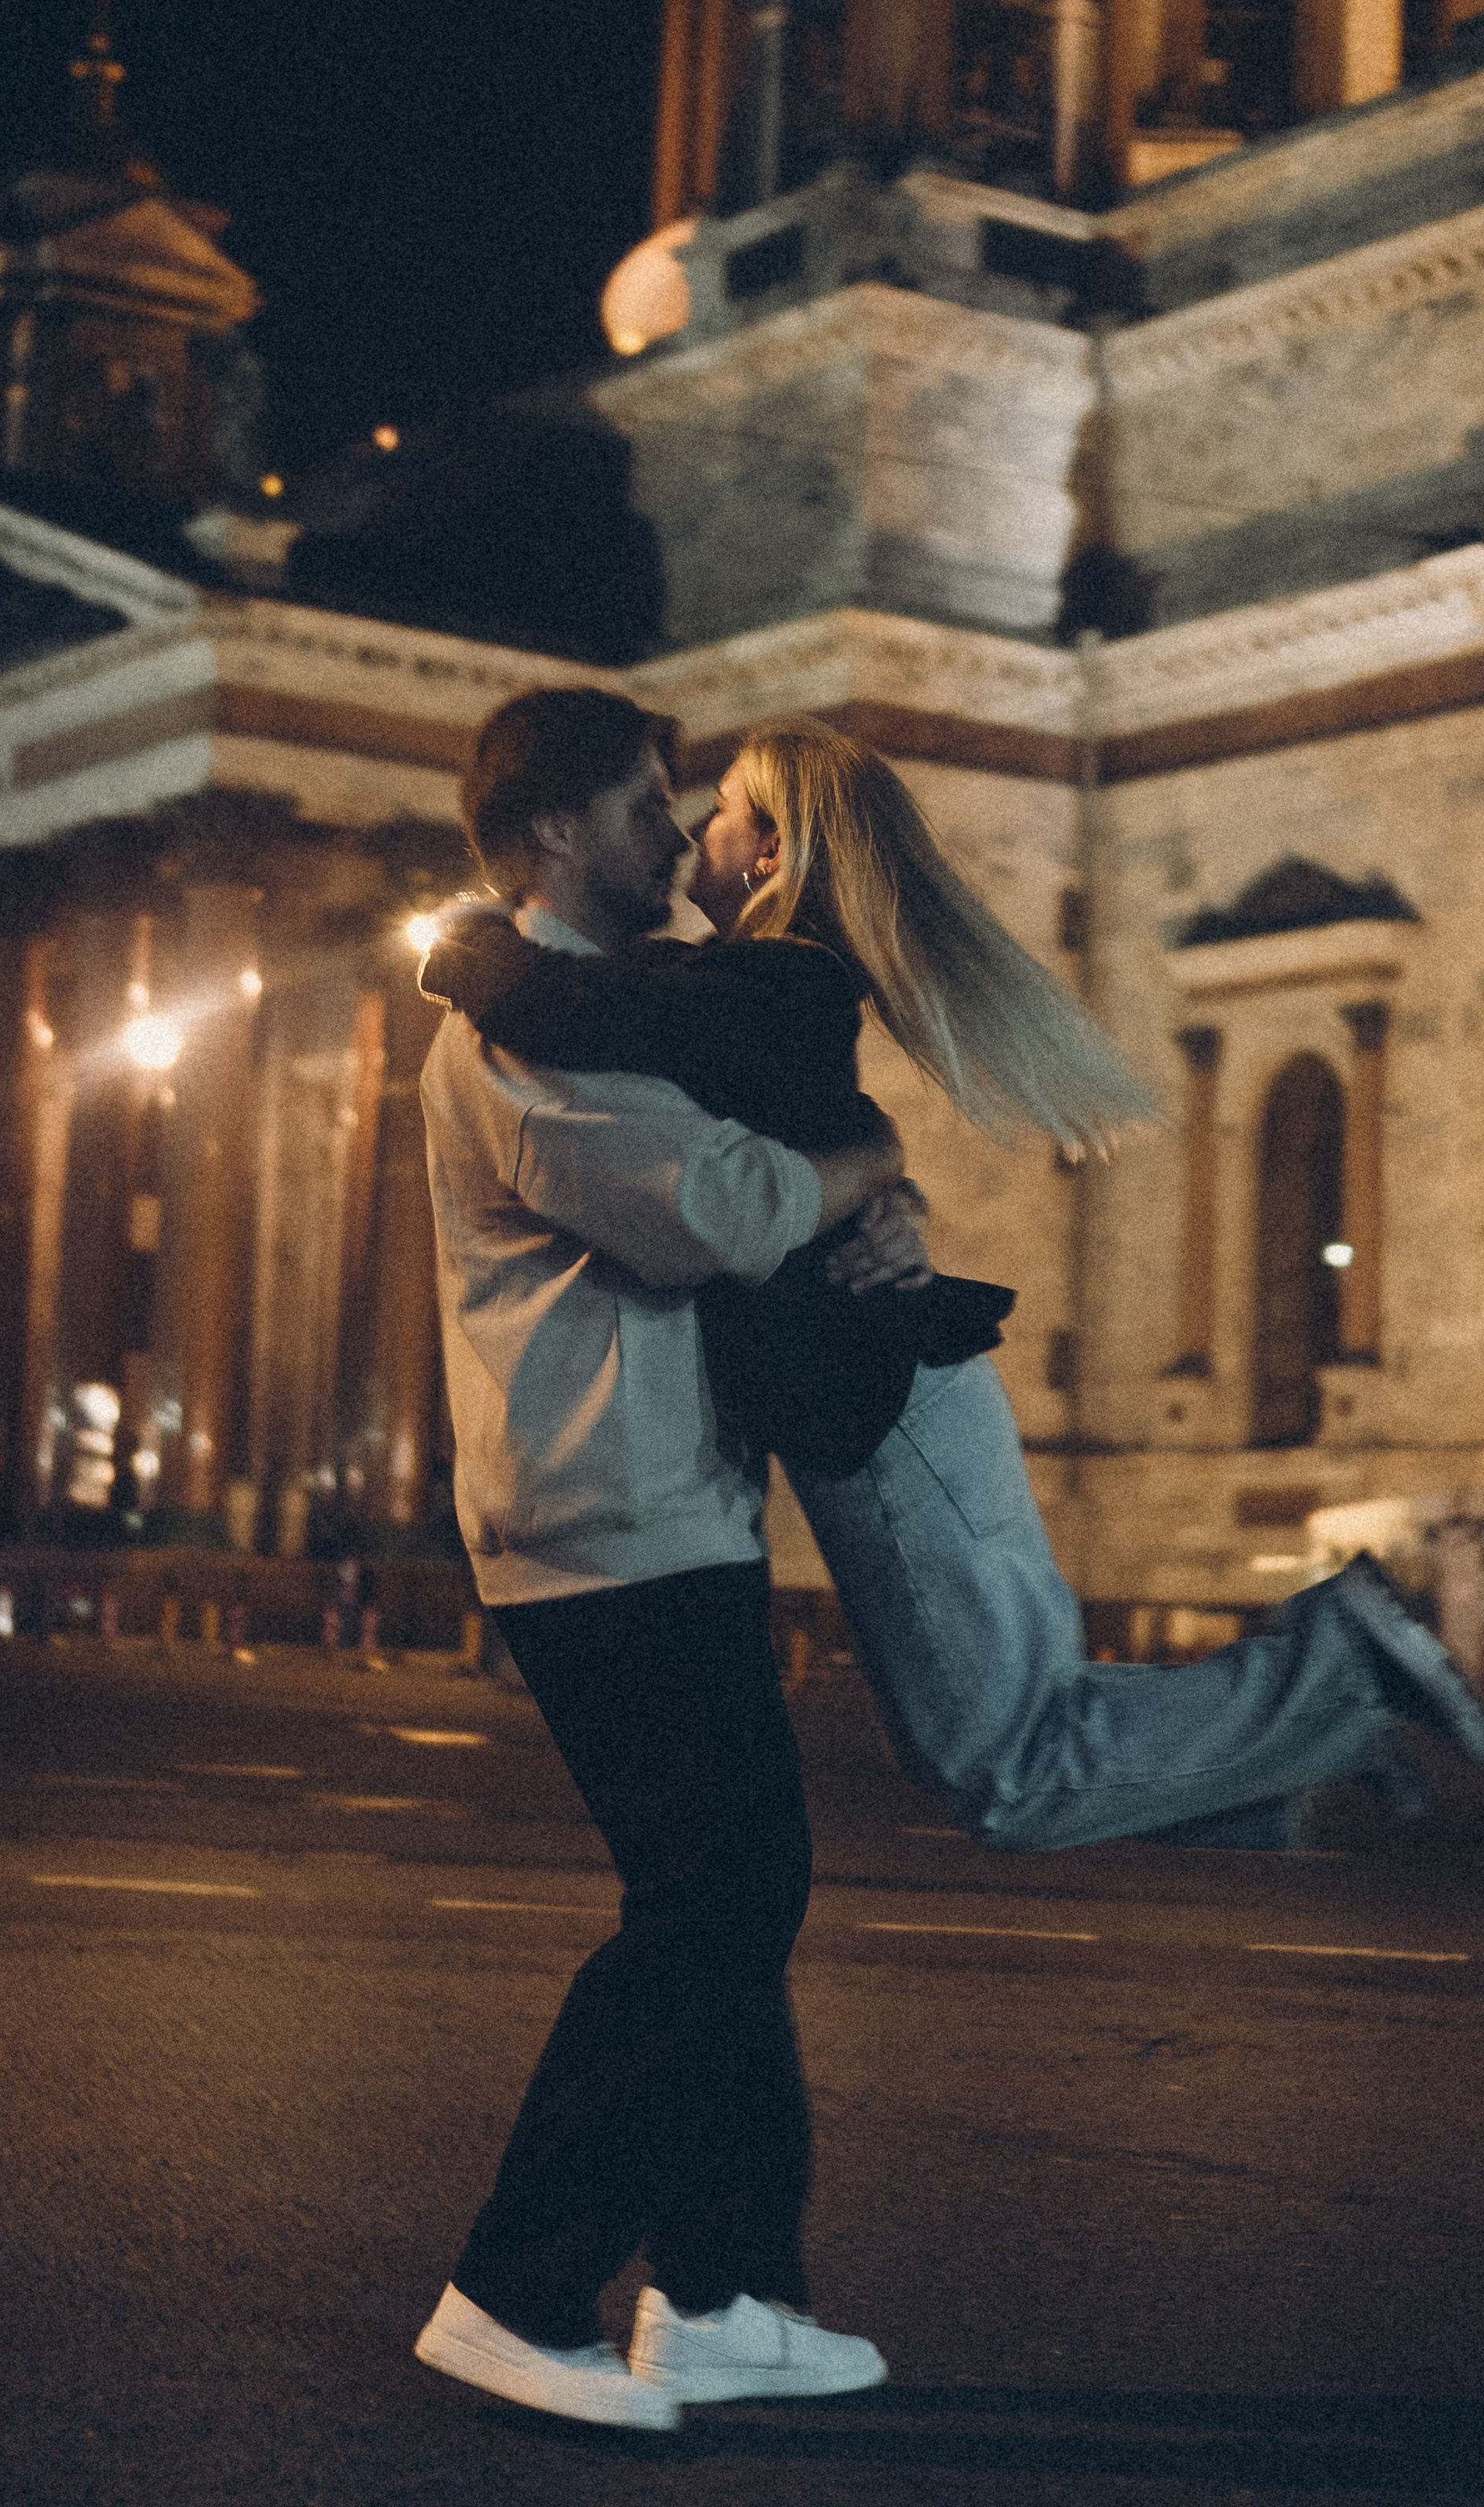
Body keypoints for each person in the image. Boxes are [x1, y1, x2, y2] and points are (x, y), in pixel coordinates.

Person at [424, 714, 1484, 1858]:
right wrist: (883, 1171)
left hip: (892, 1413)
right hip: (883, 1405)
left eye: (717, 811)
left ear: (774, 849)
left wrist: (473, 947)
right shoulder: (755, 985)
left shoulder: (771, 979)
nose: (689, 837)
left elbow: (586, 1013)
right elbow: (709, 1076)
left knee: (1006, 1771)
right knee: (999, 1756)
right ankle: (1318, 1732)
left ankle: (1347, 1670)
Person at [410, 687, 906, 2433]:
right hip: (601, 1524)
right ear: (554, 832)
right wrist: (872, 1160)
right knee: (714, 1901)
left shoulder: (603, 1008)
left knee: (727, 1899)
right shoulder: (524, 1040)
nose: (678, 833)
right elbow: (727, 1208)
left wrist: (868, 1191)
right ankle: (512, 2289)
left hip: (659, 1503)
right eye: (644, 805)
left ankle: (723, 2296)